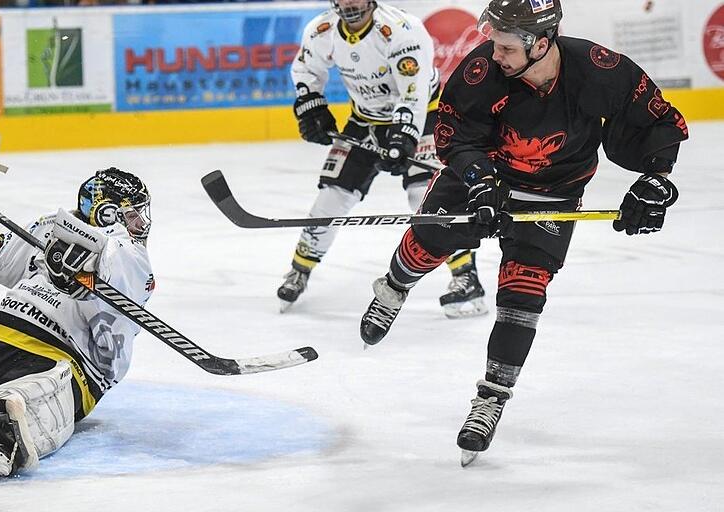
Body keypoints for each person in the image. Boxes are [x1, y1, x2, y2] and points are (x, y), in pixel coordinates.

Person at [357, 0, 688, 463]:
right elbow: (455, 134)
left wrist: (656, 180)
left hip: (554, 190)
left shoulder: (599, 70)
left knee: (523, 294)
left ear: (542, 42)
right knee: (426, 243)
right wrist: (479, 183)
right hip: (484, 174)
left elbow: (658, 123)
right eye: (495, 44)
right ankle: (393, 288)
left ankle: (490, 399)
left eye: (507, 48)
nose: (495, 55)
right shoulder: (482, 70)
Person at [0, 112, 155, 476]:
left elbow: (117, 291)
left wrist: (89, 267)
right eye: (134, 214)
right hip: (19, 351)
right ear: (107, 213)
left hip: (23, 354)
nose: (143, 223)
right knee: (3, 389)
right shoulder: (60, 234)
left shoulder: (116, 253)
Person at [279, 0, 487, 318]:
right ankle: (300, 269)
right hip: (365, 121)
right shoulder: (321, 29)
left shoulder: (403, 31)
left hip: (425, 118)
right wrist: (312, 106)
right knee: (331, 198)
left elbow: (413, 93)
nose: (350, 3)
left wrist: (403, 137)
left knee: (426, 198)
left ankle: (465, 276)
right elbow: (307, 70)